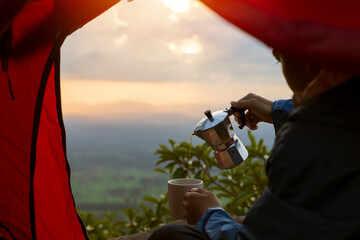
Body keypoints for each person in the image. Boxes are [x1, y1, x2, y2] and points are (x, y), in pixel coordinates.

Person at [149, 49, 360, 240]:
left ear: (311, 62)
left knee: (169, 236)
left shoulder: (306, 139)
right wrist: (276, 110)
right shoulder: (344, 115)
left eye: (281, 57)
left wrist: (210, 214)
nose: (276, 50)